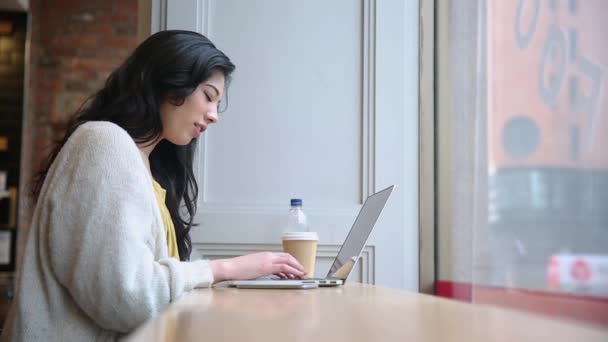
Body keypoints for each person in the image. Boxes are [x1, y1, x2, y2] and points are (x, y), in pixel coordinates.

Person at [1, 30, 305, 341]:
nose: (214, 116)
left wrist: (242, 276)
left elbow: (157, 280)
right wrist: (224, 269)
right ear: (171, 82)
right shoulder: (104, 142)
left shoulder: (148, 170)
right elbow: (124, 298)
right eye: (209, 96)